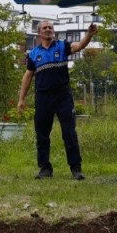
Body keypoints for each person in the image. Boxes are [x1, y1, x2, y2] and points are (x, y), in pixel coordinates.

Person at [17, 20, 96, 180]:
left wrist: (89, 35)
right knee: (42, 135)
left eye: (50, 28)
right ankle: (45, 169)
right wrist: (21, 99)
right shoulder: (33, 54)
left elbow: (79, 46)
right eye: (45, 28)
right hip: (43, 98)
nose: (48, 29)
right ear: (39, 33)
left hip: (63, 97)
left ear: (53, 31)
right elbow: (28, 76)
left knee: (69, 133)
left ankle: (76, 169)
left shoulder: (62, 46)